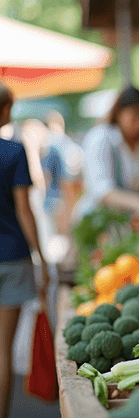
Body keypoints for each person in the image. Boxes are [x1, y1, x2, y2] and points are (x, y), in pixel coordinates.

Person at [0, 83, 49, 418]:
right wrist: (42, 257)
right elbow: (24, 209)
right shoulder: (15, 151)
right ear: (5, 110)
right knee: (2, 351)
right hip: (13, 256)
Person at [72, 85, 139, 227]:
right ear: (120, 112)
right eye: (136, 114)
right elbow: (102, 192)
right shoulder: (101, 138)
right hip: (97, 225)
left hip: (129, 226)